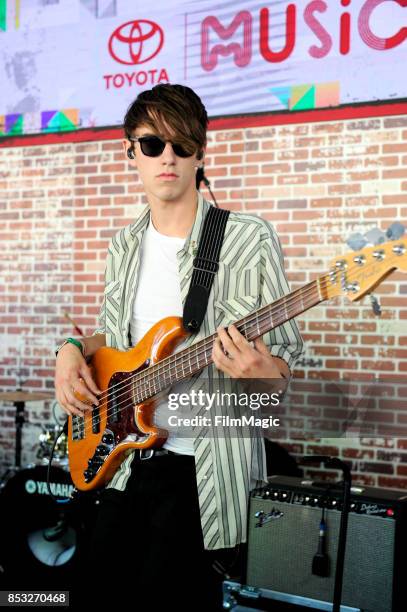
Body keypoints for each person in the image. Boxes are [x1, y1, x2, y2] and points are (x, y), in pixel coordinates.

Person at [54, 83, 304, 610]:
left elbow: (281, 373)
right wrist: (72, 348)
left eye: (182, 144)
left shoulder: (248, 238)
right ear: (130, 153)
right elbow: (111, 337)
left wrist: (260, 370)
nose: (167, 156)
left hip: (205, 474)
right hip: (124, 460)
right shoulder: (123, 245)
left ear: (200, 155)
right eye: (151, 144)